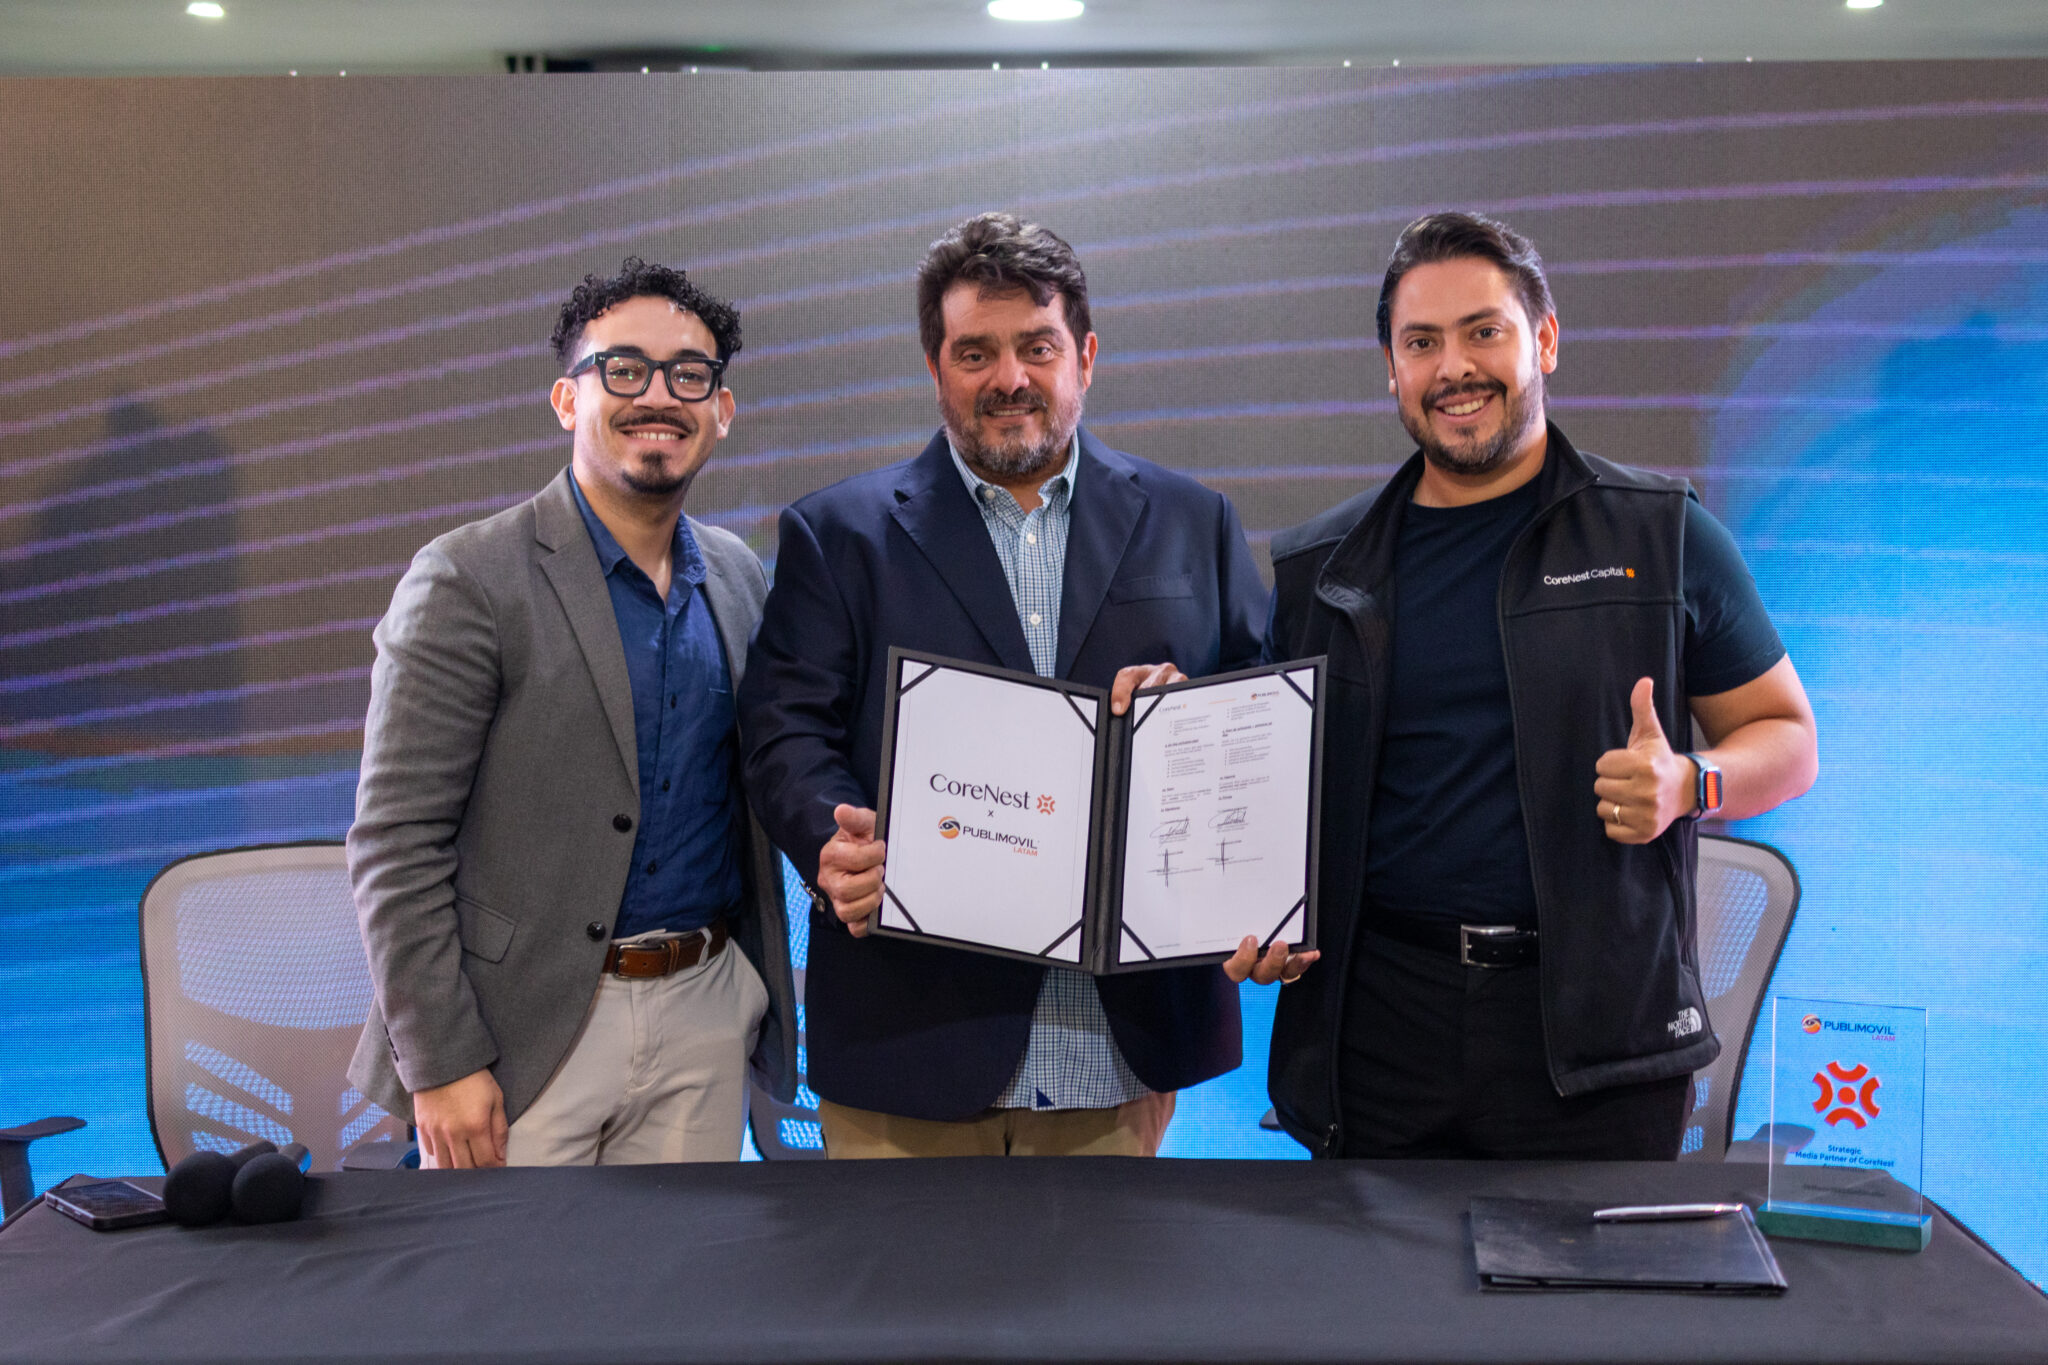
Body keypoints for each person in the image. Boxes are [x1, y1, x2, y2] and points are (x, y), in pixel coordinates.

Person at [1260, 213, 1819, 1160]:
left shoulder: (1660, 532)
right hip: (1379, 1031)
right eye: (1421, 343)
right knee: (1375, 1269)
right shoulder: (1321, 568)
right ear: (1391, 369)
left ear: (1545, 340)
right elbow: (1272, 795)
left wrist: (1692, 782)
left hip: (1599, 1037)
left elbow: (1789, 740)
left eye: (1484, 331)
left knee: (1587, 1269)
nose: (1454, 368)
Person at [739, 212, 1270, 1158]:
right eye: (975, 353)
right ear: (935, 367)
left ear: (1086, 357)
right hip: (910, 1049)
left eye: (1038, 346)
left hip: (1119, 1056)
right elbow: (785, 732)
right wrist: (831, 839)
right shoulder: (839, 535)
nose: (1009, 378)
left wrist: (1190, 722)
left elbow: (1254, 717)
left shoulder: (1195, 521)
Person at [347, 257, 797, 1168]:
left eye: (688, 375)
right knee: (511, 1271)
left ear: (721, 410)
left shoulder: (741, 577)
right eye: (623, 369)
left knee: (685, 1267)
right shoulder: (467, 578)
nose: (657, 395)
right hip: (520, 1034)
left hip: (705, 1012)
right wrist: (440, 1060)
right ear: (567, 399)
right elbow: (395, 842)